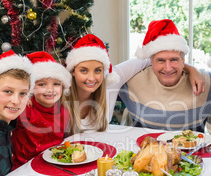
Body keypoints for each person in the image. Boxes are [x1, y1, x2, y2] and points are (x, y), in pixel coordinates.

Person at [65, 33, 203, 133]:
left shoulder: (111, 82)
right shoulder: (60, 93)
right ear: (72, 71)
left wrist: (191, 69)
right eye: (83, 71)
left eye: (97, 70)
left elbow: (152, 58)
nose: (91, 78)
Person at [11, 51, 71, 169]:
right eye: (42, 84)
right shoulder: (24, 109)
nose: (50, 89)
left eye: (56, 84)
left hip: (55, 165)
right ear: (31, 88)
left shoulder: (64, 112)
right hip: (24, 169)